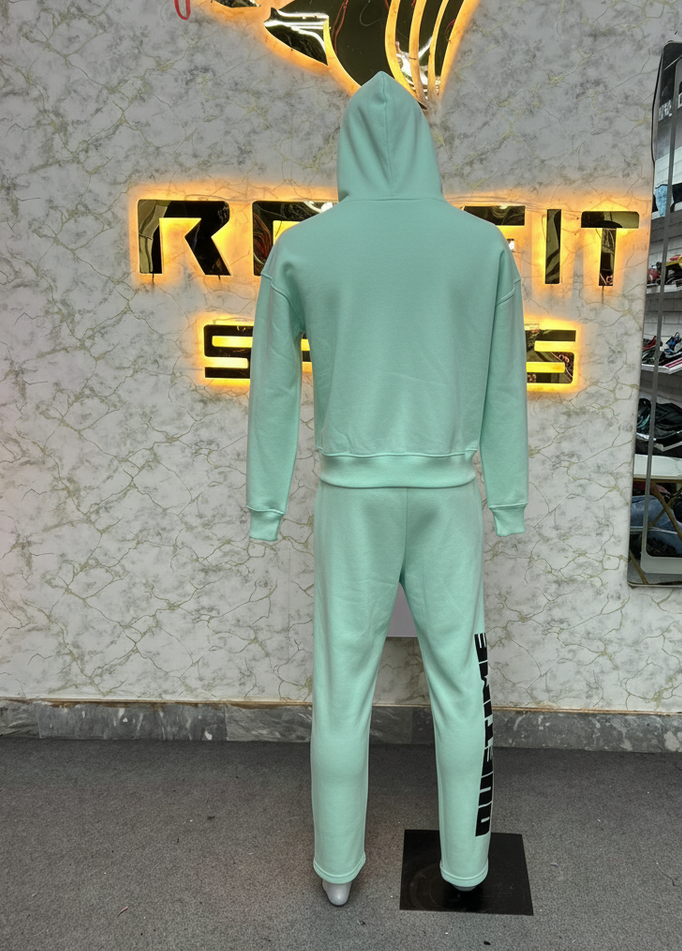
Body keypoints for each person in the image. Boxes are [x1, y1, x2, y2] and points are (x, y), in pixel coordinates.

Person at [246, 73, 529, 906]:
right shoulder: (482, 247)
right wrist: (507, 496)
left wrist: (267, 504)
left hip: (353, 494)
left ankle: (337, 872)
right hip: (446, 494)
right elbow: (504, 385)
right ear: (421, 145)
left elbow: (272, 388)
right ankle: (467, 866)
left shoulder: (303, 248)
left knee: (342, 685)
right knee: (461, 682)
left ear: (349, 147)